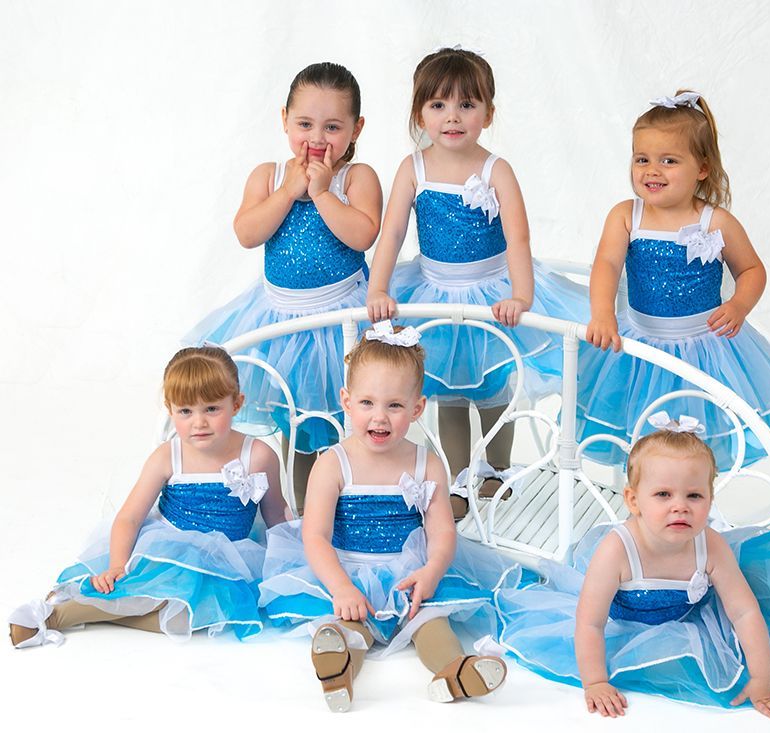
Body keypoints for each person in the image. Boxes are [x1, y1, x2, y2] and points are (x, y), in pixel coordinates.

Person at [365, 48, 588, 516]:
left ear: (487, 113)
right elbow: (393, 232)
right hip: (433, 290)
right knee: (448, 390)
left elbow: (518, 237)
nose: (453, 117)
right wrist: (378, 288)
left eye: (467, 105)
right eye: (439, 105)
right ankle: (459, 475)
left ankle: (497, 469)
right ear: (419, 113)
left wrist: (521, 294)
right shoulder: (413, 168)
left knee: (493, 385)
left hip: (491, 290)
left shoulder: (495, 169)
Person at [258, 323, 517, 712]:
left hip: (410, 574)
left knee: (431, 621)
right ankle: (338, 669)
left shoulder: (426, 463)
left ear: (416, 409)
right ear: (346, 401)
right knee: (350, 623)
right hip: (346, 570)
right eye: (367, 403)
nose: (379, 418)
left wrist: (431, 572)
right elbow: (314, 536)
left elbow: (442, 532)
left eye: (394, 406)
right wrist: (342, 587)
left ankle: (455, 671)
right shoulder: (333, 464)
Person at [496, 414, 770, 716]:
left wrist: (762, 679)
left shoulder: (710, 544)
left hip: (685, 619)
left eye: (694, 496)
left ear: (710, 498)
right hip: (619, 625)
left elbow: (743, 612)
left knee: (762, 595)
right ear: (634, 500)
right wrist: (595, 681)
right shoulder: (616, 551)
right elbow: (591, 623)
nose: (679, 507)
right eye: (663, 494)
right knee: (587, 621)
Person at [577, 90, 770, 469]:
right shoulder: (625, 215)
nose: (652, 170)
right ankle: (647, 502)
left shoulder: (715, 222)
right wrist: (602, 312)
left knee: (698, 436)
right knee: (640, 432)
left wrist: (738, 305)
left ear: (702, 168)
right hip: (641, 344)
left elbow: (752, 270)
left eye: (669, 160)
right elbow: (606, 264)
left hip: (705, 348)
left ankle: (695, 502)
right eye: (642, 159)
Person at [185, 63, 383, 509]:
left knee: (350, 418)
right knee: (299, 424)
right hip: (280, 322)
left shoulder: (358, 178)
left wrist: (323, 193)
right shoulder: (269, 175)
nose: (317, 137)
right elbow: (247, 232)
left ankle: (355, 503)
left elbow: (363, 234)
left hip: (341, 319)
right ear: (284, 120)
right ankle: (301, 516)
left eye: (333, 126)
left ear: (356, 129)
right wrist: (288, 191)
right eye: (305, 124)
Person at [8, 346, 289, 647]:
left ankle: (96, 613)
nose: (199, 422)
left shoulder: (258, 455)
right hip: (168, 545)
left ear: (237, 404)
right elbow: (129, 516)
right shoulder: (168, 456)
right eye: (185, 411)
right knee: (146, 590)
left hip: (227, 556)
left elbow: (276, 514)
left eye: (211, 409)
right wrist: (118, 564)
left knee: (191, 618)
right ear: (170, 410)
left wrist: (292, 559)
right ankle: (61, 614)